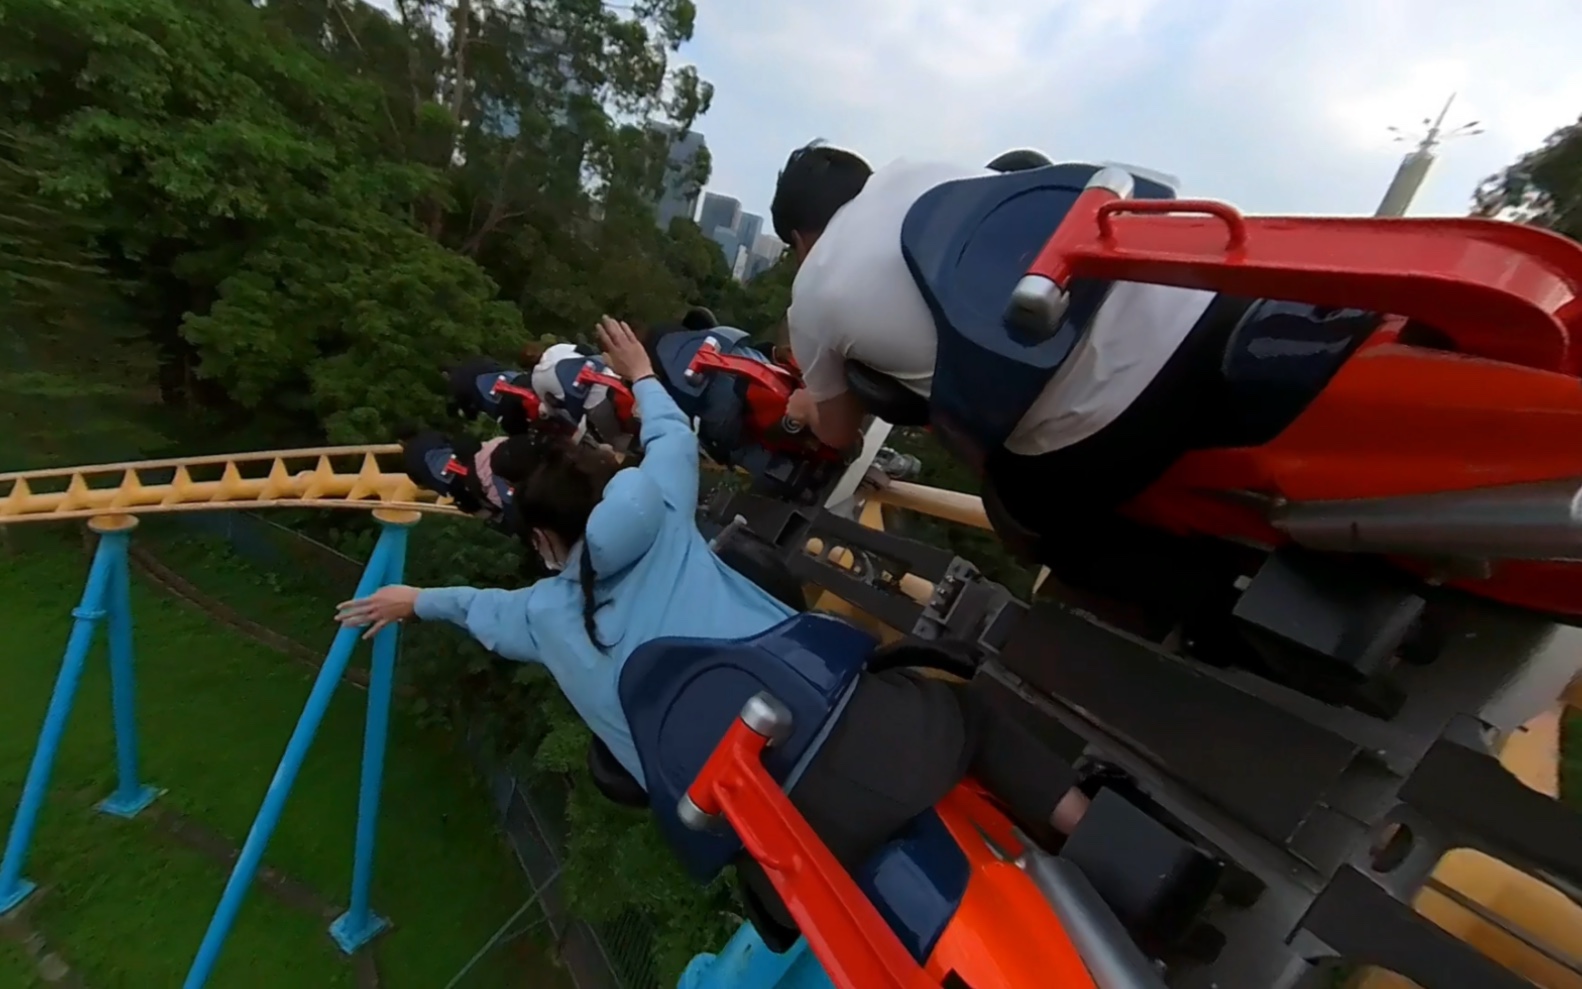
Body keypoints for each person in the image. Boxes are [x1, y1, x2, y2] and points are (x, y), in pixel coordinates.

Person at [335, 316, 1092, 925]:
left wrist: (413, 599)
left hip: (772, 842)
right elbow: (668, 434)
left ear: (540, 538)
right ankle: (1093, 836)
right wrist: (639, 371)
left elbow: (475, 609)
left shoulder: (538, 615)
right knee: (974, 715)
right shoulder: (662, 508)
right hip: (848, 733)